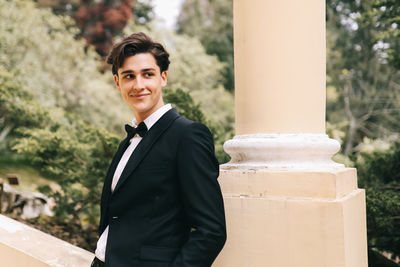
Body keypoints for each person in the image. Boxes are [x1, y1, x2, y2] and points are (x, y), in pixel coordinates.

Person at [91, 32, 226, 267]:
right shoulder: (130, 140)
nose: (138, 85)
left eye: (148, 74)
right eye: (129, 76)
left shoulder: (187, 136)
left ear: (163, 77)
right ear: (117, 83)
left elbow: (211, 231)